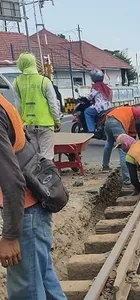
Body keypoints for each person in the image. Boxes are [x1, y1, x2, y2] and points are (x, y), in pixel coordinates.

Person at [0, 93, 66, 299]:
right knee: (44, 283)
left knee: (26, 291)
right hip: (32, 210)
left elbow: (13, 181)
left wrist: (10, 236)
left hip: (27, 212)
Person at [13, 52, 61, 160]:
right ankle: (47, 175)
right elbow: (53, 104)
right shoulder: (45, 81)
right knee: (47, 156)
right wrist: (57, 121)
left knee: (32, 157)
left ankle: (34, 176)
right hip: (45, 124)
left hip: (28, 125)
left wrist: (20, 123)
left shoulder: (16, 82)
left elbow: (18, 106)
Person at [103, 106, 140, 186]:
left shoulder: (133, 120)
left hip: (108, 120)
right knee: (123, 151)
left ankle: (105, 165)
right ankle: (127, 180)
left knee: (109, 143)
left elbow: (131, 141)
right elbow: (139, 124)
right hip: (118, 122)